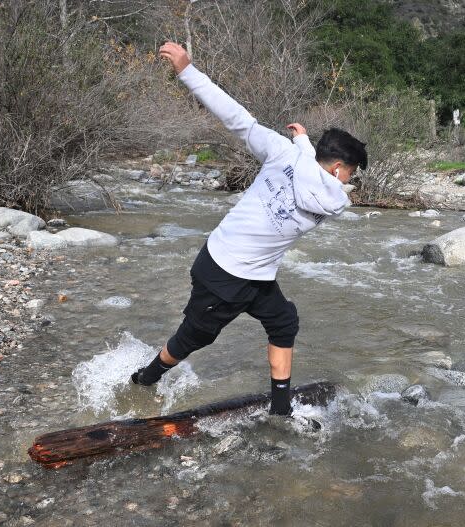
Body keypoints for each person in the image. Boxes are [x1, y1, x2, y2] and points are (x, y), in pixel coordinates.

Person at [130, 42, 368, 416]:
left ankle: (280, 410)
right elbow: (313, 175)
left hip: (238, 266)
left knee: (282, 320)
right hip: (223, 274)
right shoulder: (335, 201)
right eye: (349, 173)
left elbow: (237, 118)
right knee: (193, 338)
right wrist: (304, 143)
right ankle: (145, 378)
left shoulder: (281, 151)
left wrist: (187, 71)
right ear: (338, 169)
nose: (348, 180)